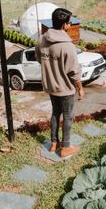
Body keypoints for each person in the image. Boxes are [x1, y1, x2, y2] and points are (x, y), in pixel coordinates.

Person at [36, 8, 83, 158]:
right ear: (64, 25)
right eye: (69, 23)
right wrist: (80, 88)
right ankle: (66, 147)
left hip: (51, 86)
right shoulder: (68, 46)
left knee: (56, 114)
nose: (70, 25)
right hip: (65, 89)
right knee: (68, 116)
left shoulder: (42, 39)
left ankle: (54, 144)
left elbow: (39, 60)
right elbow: (74, 72)